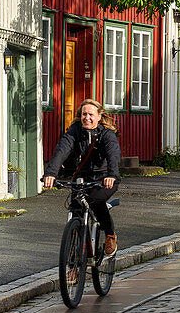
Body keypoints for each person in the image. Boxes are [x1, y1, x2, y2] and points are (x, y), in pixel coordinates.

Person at [43, 99, 121, 256]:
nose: (87, 118)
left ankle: (110, 233)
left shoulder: (107, 134)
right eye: (84, 114)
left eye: (91, 114)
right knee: (76, 214)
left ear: (99, 116)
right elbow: (62, 150)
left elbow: (113, 154)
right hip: (82, 178)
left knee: (96, 201)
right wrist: (51, 173)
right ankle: (76, 262)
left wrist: (112, 175)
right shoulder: (75, 131)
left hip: (104, 178)